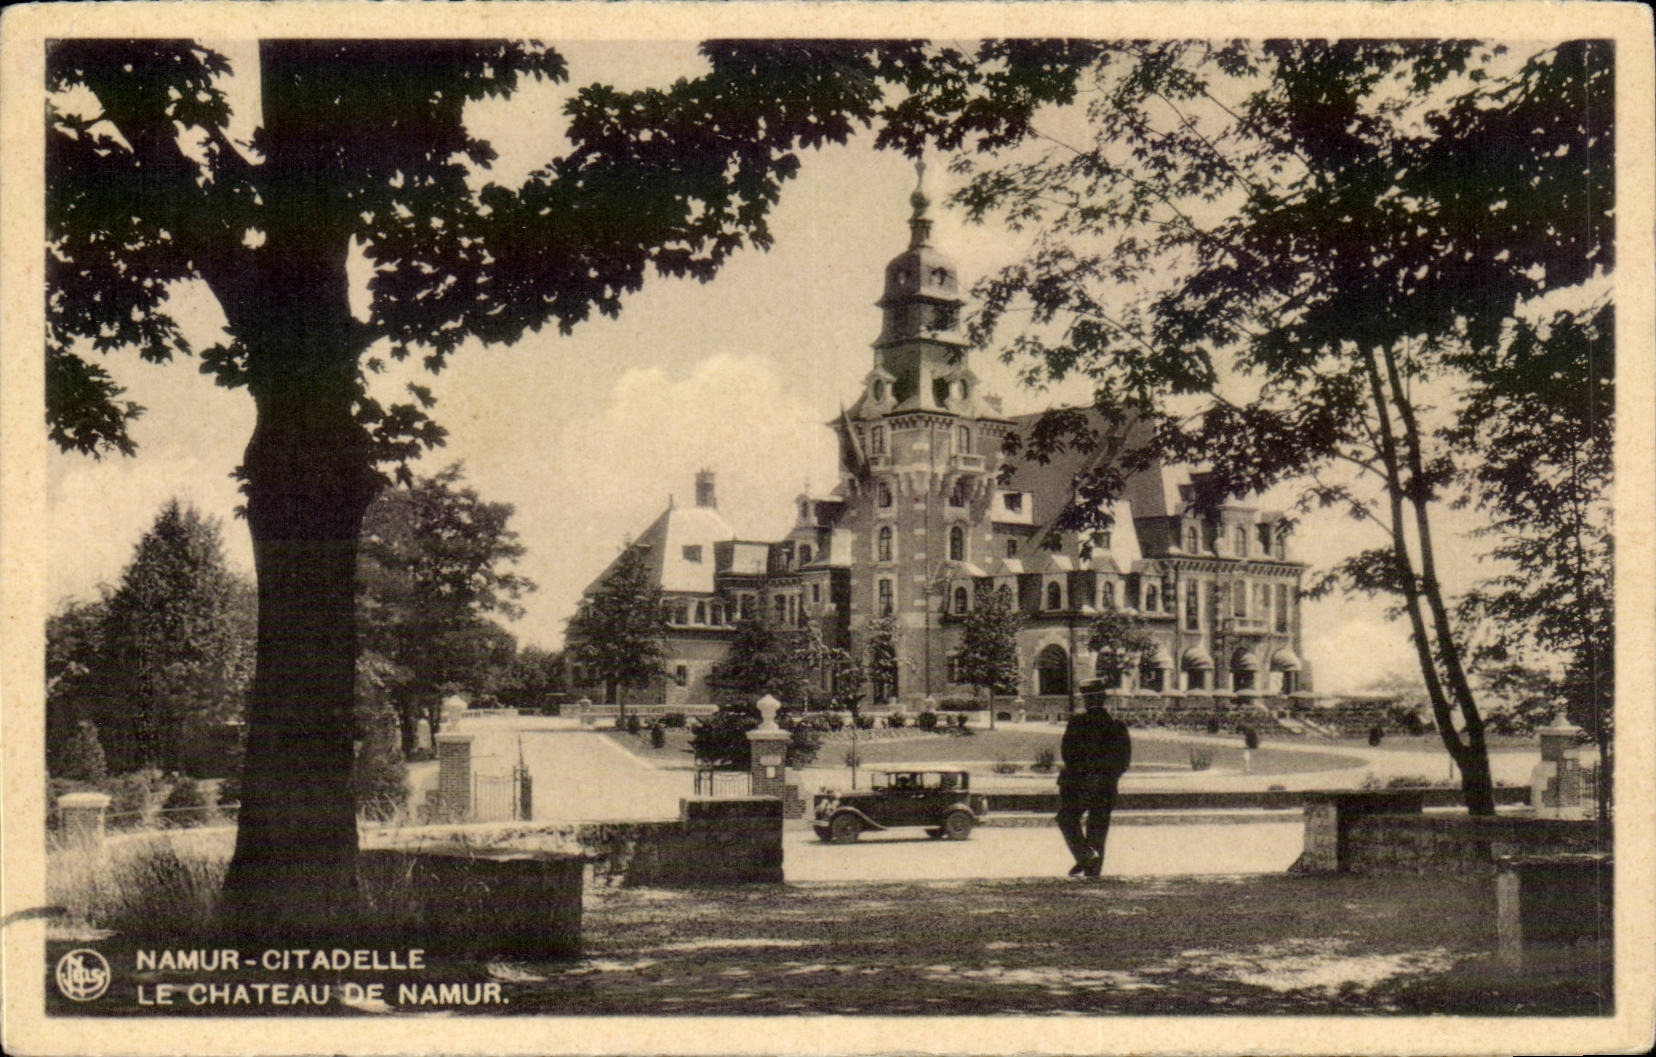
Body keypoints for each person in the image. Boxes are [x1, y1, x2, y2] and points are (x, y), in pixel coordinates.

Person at [1056, 683, 1132, 878]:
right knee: (1098, 827)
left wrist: (1082, 774)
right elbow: (1123, 760)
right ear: (1104, 698)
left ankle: (1085, 856)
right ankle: (1093, 871)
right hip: (1106, 785)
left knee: (1066, 818)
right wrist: (1109, 777)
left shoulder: (1077, 723)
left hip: (1081, 784)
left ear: (1086, 699)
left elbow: (1068, 754)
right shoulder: (1116, 725)